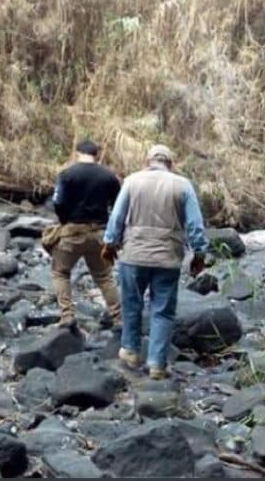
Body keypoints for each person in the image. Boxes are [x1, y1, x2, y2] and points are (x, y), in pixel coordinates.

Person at [102, 144, 210, 380]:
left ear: (147, 161)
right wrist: (199, 254)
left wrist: (110, 243)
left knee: (132, 304)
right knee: (162, 312)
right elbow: (195, 225)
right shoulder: (183, 185)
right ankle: (157, 365)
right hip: (168, 257)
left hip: (134, 254)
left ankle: (130, 350)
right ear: (170, 164)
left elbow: (117, 216)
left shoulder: (132, 181)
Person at [49, 139, 122, 328]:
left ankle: (67, 315)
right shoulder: (109, 176)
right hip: (99, 233)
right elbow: (118, 206)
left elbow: (57, 202)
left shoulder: (67, 174)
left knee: (61, 272)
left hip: (72, 232)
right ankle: (118, 317)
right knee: (105, 277)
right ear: (96, 155)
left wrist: (64, 219)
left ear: (77, 153)